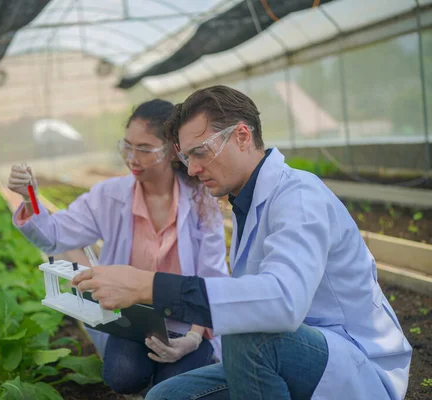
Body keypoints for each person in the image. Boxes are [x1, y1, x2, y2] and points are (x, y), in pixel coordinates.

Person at [73, 86, 412, 400]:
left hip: (354, 365)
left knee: (248, 331)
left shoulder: (300, 198)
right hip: (285, 353)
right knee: (163, 396)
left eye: (200, 153)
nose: (191, 169)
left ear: (242, 136)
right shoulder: (244, 201)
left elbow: (281, 302)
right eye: (187, 158)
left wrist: (149, 286)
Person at [7, 99, 230, 395]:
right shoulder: (109, 196)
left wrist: (193, 337)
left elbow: (212, 277)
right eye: (127, 147)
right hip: (133, 320)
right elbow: (54, 235)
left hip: (189, 324)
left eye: (144, 149)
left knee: (174, 387)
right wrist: (29, 198)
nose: (132, 158)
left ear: (172, 150)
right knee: (123, 375)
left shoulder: (202, 202)